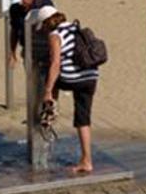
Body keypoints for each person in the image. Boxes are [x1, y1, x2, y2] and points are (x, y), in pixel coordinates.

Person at [42, 12, 99, 174]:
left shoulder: (55, 35)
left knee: (49, 77)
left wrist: (47, 91)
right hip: (91, 76)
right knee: (83, 118)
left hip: (71, 78)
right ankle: (87, 161)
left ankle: (50, 111)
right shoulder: (76, 28)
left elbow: (55, 63)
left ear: (47, 24)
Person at [8, 0, 54, 66]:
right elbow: (14, 30)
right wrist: (12, 52)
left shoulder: (45, 4)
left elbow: (54, 29)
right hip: (28, 51)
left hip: (45, 51)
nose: (20, 3)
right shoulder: (14, 9)